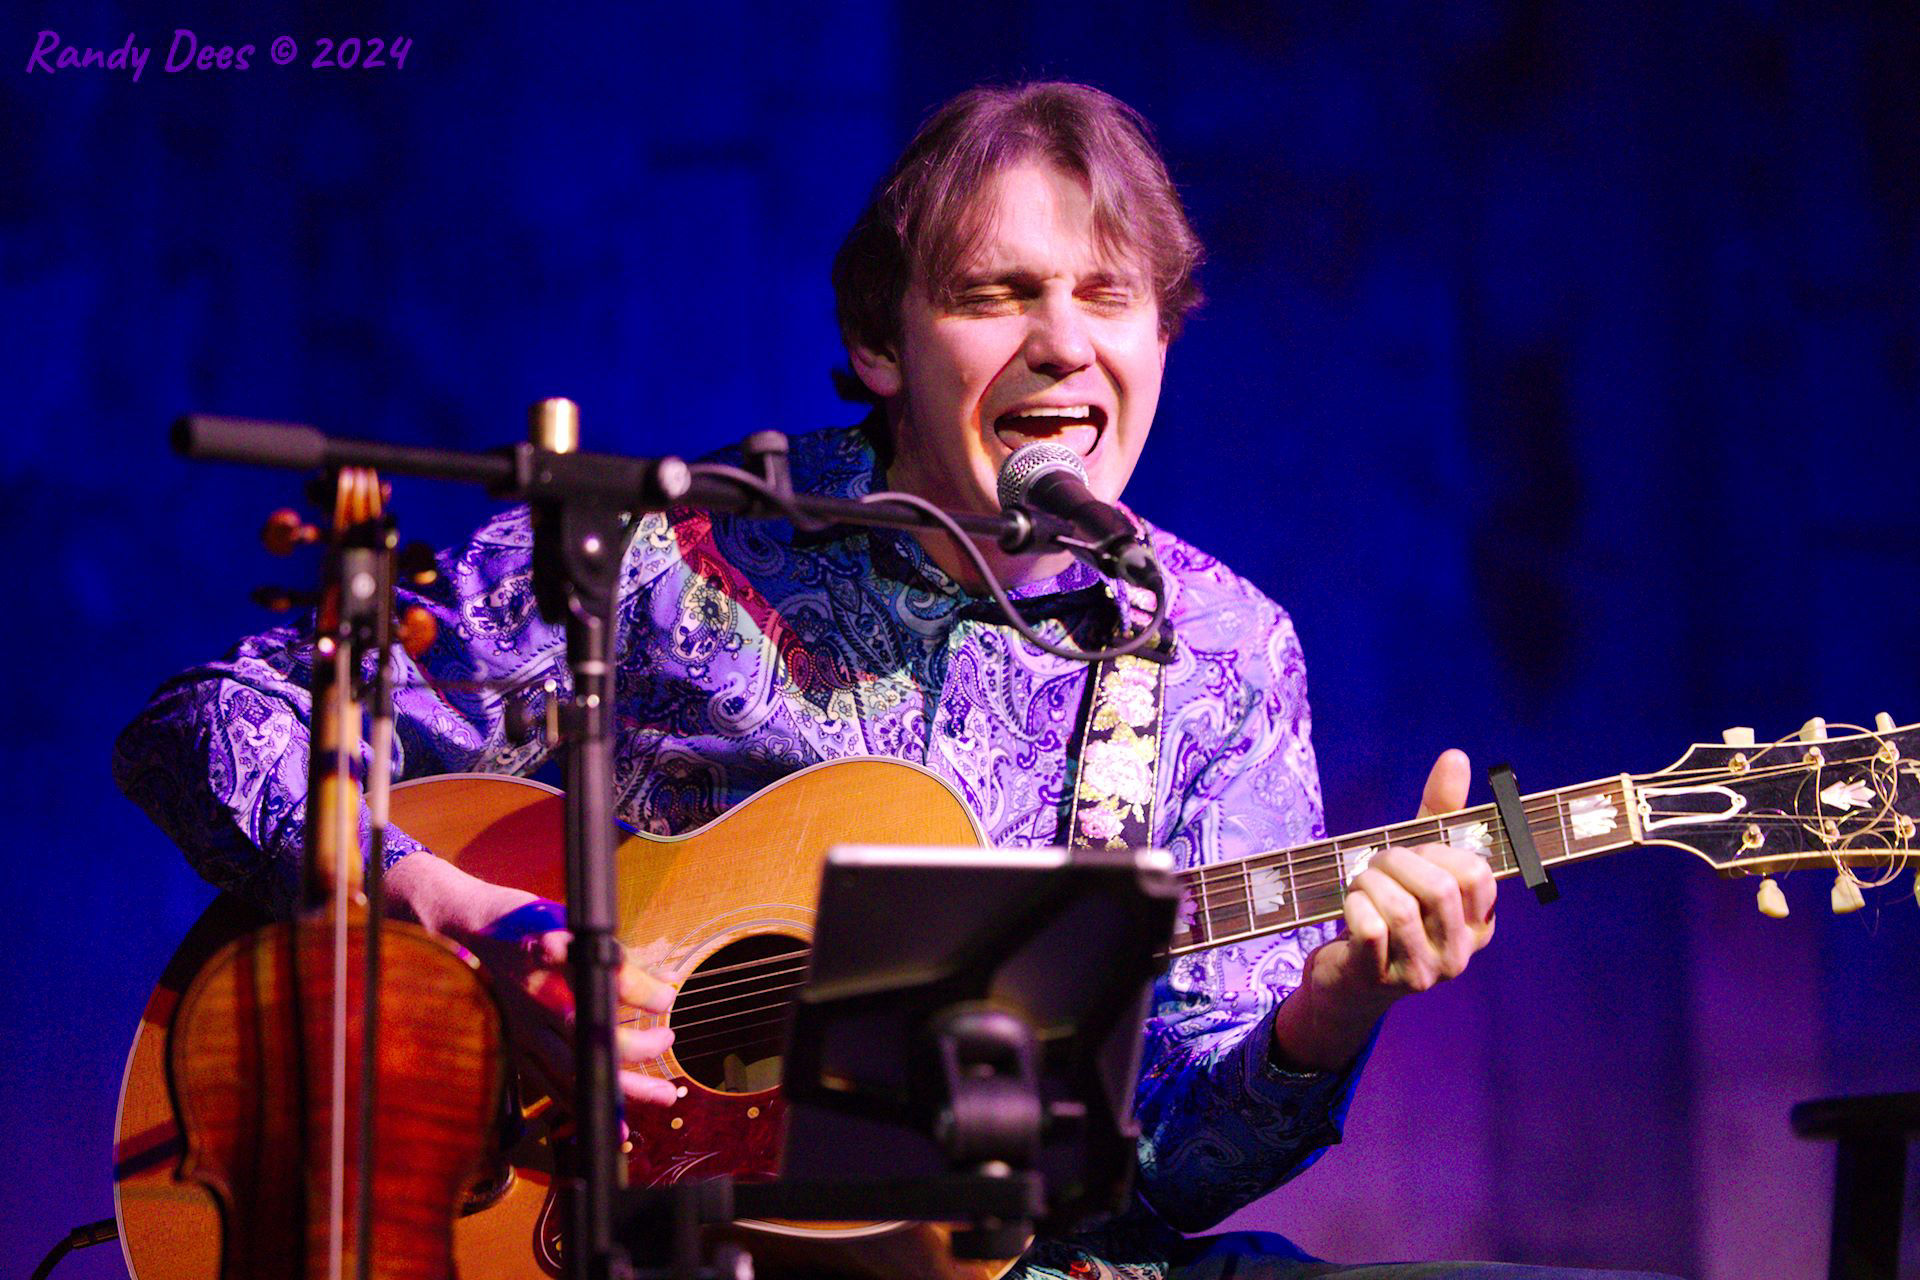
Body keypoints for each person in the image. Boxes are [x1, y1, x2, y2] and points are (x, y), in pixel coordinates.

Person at [116, 82, 1668, 1280]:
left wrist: (1331, 1010)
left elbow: (1159, 1179)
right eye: (999, 296)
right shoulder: (671, 545)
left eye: (1109, 297)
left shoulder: (1221, 653)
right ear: (878, 342)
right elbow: (209, 729)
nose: (1065, 344)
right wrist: (487, 924)